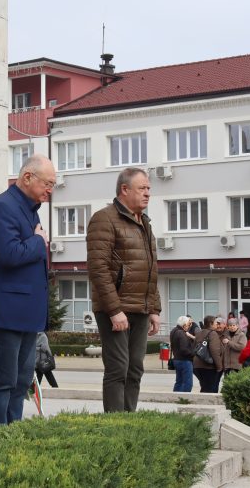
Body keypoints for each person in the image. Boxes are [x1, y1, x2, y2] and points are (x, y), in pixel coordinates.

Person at [0, 154, 54, 426]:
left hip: (24, 314)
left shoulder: (29, 210)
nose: (50, 190)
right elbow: (10, 254)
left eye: (53, 184)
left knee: (19, 382)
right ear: (27, 177)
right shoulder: (2, 207)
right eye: (47, 183)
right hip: (2, 311)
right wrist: (39, 241)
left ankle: (12, 436)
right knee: (2, 381)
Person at [86, 167, 162, 412]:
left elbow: (150, 269)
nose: (148, 194)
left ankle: (130, 420)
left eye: (149, 189)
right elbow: (98, 269)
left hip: (140, 307)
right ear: (124, 189)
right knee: (118, 368)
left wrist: (154, 308)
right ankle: (115, 424)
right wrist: (114, 310)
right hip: (116, 309)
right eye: (142, 188)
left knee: (135, 369)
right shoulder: (104, 218)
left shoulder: (144, 222)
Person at [192, 315, 223, 393]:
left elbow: (194, 348)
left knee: (204, 387)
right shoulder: (213, 334)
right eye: (216, 323)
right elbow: (215, 351)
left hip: (197, 365)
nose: (217, 324)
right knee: (210, 389)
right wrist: (219, 367)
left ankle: (202, 403)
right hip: (208, 366)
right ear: (211, 323)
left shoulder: (199, 333)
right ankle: (207, 404)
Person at [170, 315, 195, 392]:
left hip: (177, 359)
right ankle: (184, 399)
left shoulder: (173, 330)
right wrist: (193, 354)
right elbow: (184, 349)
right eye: (188, 325)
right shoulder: (181, 333)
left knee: (179, 381)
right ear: (184, 325)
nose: (188, 327)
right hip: (185, 361)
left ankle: (175, 398)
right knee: (187, 383)